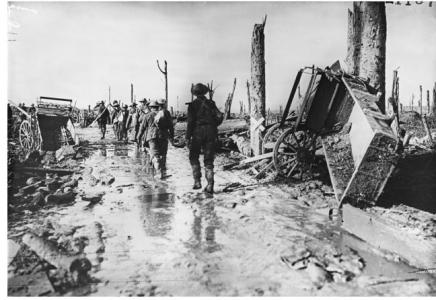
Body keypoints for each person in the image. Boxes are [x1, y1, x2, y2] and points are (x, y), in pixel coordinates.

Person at [186, 83, 223, 194]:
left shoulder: (192, 105)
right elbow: (220, 116)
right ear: (205, 92)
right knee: (208, 160)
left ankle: (197, 181)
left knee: (193, 156)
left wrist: (188, 137)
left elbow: (190, 123)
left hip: (197, 133)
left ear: (195, 93)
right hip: (210, 132)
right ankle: (210, 185)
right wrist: (214, 125)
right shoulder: (211, 103)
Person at [138, 100, 174, 179]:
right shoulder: (165, 114)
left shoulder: (148, 115)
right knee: (163, 154)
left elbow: (142, 128)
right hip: (164, 136)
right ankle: (163, 172)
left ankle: (159, 173)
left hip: (152, 137)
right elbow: (171, 126)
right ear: (158, 107)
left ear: (150, 107)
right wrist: (172, 137)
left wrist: (139, 138)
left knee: (155, 155)